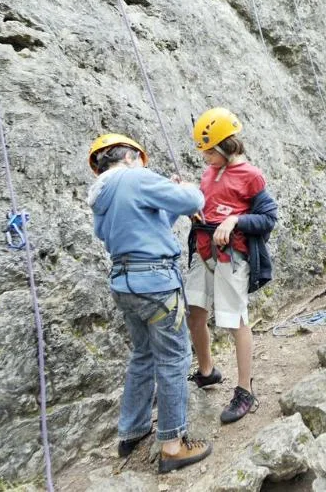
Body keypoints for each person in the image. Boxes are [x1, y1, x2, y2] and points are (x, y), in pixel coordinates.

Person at [87, 133, 212, 473]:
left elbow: (142, 226)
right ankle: (173, 445)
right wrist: (180, 187)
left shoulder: (102, 193)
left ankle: (132, 431)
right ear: (129, 156)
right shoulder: (135, 176)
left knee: (143, 354)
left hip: (125, 283)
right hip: (156, 282)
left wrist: (166, 202)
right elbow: (192, 199)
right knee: (174, 357)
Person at [184, 107, 278, 423]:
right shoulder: (210, 173)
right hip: (204, 252)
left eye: (209, 152)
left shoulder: (251, 176)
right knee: (194, 312)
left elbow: (268, 218)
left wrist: (235, 219)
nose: (205, 158)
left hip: (231, 257)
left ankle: (244, 390)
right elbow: (206, 204)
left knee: (235, 320)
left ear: (225, 147)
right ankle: (207, 370)